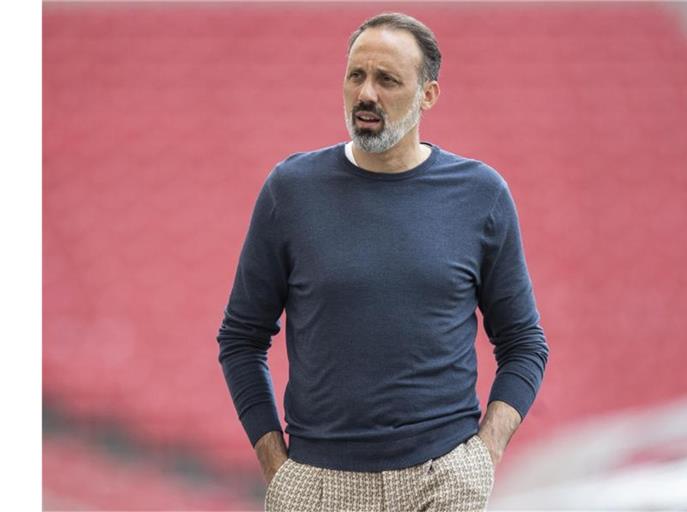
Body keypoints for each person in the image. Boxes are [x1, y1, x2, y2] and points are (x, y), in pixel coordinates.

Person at [216, 12, 549, 512]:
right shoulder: (291, 190)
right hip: (318, 486)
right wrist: (278, 471)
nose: (366, 94)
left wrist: (483, 457)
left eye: (387, 80)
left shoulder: (481, 196)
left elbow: (525, 344)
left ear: (428, 95)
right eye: (356, 75)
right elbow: (241, 339)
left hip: (443, 482)